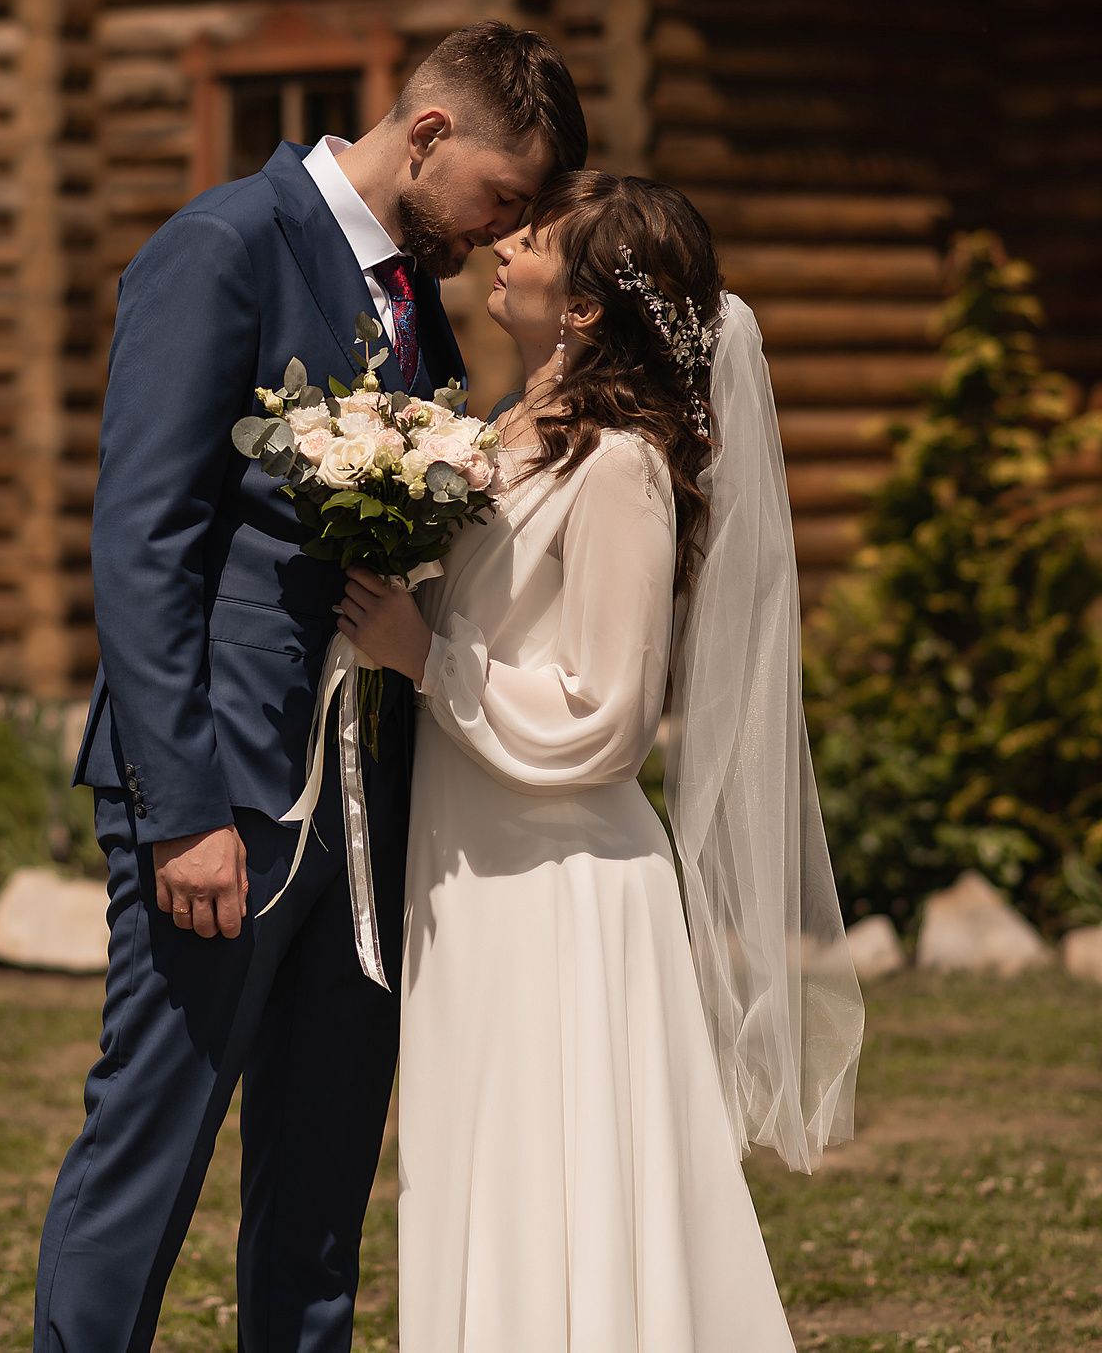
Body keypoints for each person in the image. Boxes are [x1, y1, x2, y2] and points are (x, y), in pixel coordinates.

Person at [35, 22, 589, 1353]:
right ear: (433, 133)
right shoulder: (223, 247)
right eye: (500, 199)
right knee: (154, 1143)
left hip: (365, 803)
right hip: (223, 790)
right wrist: (183, 807)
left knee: (326, 1163)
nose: (498, 232)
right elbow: (144, 537)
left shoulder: (413, 297)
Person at [337, 172, 867, 1352]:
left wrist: (426, 660)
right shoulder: (505, 430)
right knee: (476, 1161)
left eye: (528, 238)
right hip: (474, 862)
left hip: (558, 885)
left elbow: (609, 718)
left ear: (581, 308)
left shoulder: (622, 465)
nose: (502, 246)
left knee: (551, 1174)